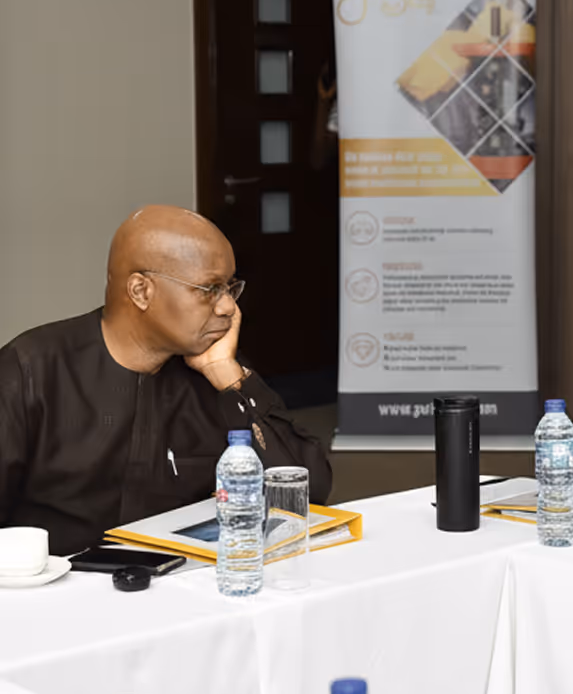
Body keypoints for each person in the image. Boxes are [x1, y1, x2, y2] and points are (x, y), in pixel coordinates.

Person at [0, 205, 332, 554]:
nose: (228, 308)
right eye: (209, 289)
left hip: (185, 590)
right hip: (55, 593)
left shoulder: (215, 370)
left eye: (230, 288)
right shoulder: (31, 371)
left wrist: (230, 378)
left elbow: (310, 494)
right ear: (141, 291)